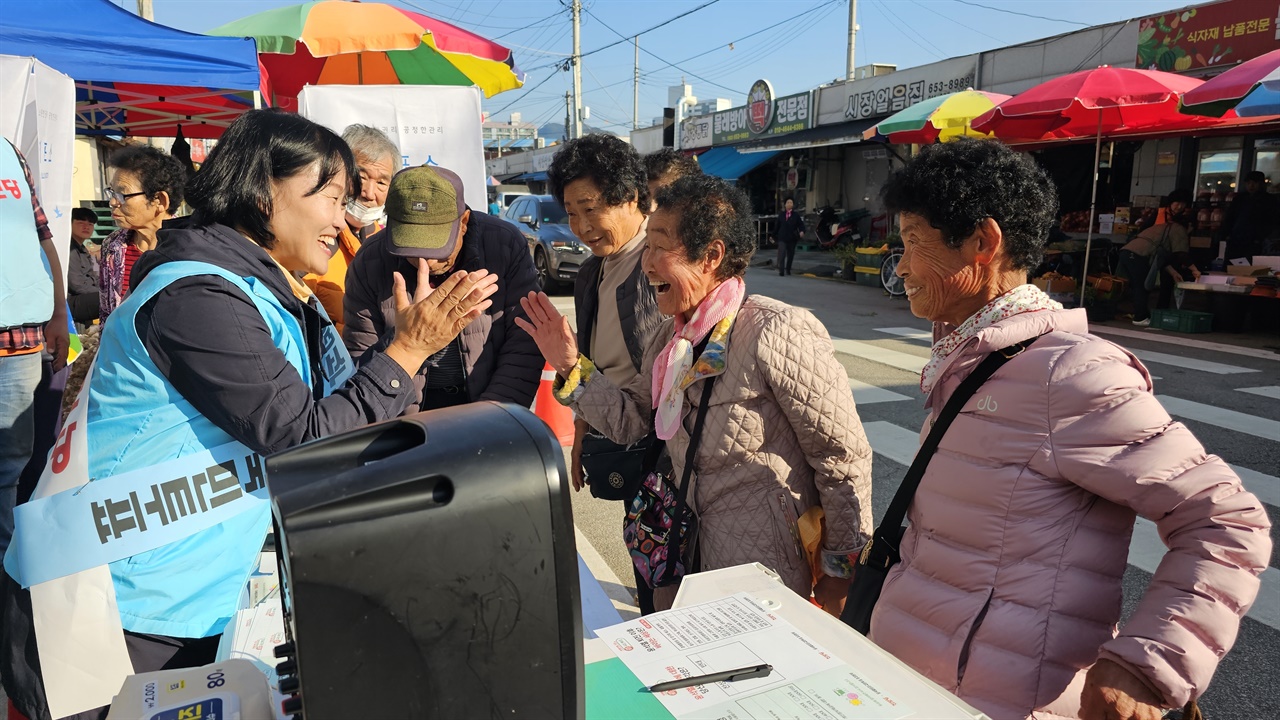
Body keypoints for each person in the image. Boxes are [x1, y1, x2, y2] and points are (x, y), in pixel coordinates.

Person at [1, 109, 499, 720]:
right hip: (117, 603)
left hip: (184, 594)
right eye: (332, 196)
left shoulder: (268, 287)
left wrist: (406, 352)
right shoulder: (199, 295)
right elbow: (302, 438)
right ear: (265, 191)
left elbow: (335, 414)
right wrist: (409, 350)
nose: (343, 218)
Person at [874, 138, 1270, 719]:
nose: (901, 265)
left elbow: (1227, 522)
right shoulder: (964, 358)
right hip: (909, 682)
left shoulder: (1070, 373)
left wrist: (1146, 664)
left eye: (913, 242)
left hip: (998, 699)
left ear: (983, 242)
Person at [518, 174, 873, 615]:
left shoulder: (776, 330)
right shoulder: (670, 340)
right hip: (686, 555)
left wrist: (842, 569)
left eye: (660, 247)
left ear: (711, 256)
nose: (647, 263)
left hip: (767, 569)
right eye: (646, 246)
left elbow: (841, 457)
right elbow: (633, 421)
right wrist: (573, 366)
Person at [547, 136, 666, 613]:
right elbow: (594, 356)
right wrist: (582, 430)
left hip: (665, 446)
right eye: (571, 212)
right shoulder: (591, 273)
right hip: (616, 432)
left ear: (633, 198)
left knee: (672, 567)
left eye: (590, 208)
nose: (580, 227)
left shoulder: (662, 261)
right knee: (643, 550)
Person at [343, 165, 542, 412]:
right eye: (411, 250)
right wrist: (408, 336)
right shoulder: (370, 261)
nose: (426, 262)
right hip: (405, 413)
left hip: (489, 402)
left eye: (437, 247)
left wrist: (492, 415)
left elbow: (523, 343)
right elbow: (360, 356)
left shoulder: (504, 245)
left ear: (464, 222)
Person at [0, 138, 69, 560]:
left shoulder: (9, 151)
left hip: (21, 339)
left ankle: (9, 593)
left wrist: (58, 312)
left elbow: (43, 237)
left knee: (12, 468)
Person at [304, 124, 398, 336]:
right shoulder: (309, 237)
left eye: (382, 183)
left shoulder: (388, 243)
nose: (369, 193)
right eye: (361, 177)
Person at [98, 145, 186, 322]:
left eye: (123, 194)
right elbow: (107, 314)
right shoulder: (113, 246)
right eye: (112, 192)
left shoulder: (189, 248)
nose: (113, 202)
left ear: (160, 200)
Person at [1119, 189, 1196, 326]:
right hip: (1144, 253)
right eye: (1177, 203)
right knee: (1141, 285)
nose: (1179, 206)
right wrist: (1195, 270)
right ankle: (1140, 317)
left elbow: (1165, 258)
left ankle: (1154, 314)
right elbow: (1181, 253)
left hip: (1150, 255)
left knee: (1147, 285)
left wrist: (1173, 272)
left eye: (1183, 204)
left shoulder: (1178, 222)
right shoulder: (1169, 222)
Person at [1217, 170, 1278, 260]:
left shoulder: (1269, 200)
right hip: (1236, 238)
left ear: (1261, 184)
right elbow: (1230, 218)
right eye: (1248, 183)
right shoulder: (1239, 199)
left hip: (1255, 240)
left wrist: (1260, 237)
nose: (1251, 185)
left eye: (1255, 183)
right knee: (1232, 265)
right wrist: (1226, 234)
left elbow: (1272, 221)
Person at [67, 207, 101, 327]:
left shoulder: (82, 249)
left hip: (83, 297)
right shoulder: (69, 250)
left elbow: (94, 277)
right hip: (69, 302)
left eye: (90, 224)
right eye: (80, 223)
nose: (86, 227)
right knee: (111, 300)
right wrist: (105, 293)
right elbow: (77, 285)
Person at [774, 197, 804, 276]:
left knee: (790, 255)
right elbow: (777, 226)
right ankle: (781, 270)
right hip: (782, 237)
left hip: (792, 238)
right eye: (788, 202)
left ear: (793, 204)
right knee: (782, 253)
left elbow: (801, 225)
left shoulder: (796, 215)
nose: (789, 204)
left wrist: (802, 231)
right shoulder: (781, 215)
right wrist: (773, 235)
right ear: (785, 204)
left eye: (791, 203)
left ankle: (788, 269)